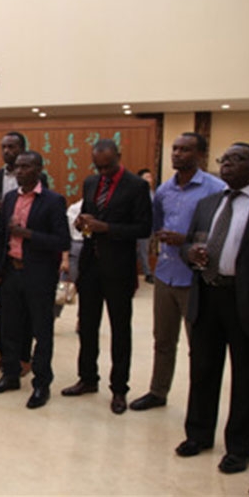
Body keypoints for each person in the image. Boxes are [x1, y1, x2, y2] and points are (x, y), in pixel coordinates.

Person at [175, 143, 249, 474]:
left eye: (237, 159)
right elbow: (189, 242)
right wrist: (190, 253)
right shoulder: (208, 203)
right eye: (224, 159)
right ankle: (198, 435)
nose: (227, 164)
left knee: (247, 378)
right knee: (203, 369)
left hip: (247, 301)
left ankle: (240, 448)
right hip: (207, 295)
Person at [129, 133, 225, 412]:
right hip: (166, 273)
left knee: (200, 344)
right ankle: (158, 391)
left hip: (197, 277)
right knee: (163, 340)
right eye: (175, 149)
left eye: (185, 150)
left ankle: (200, 403)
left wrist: (186, 240)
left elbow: (223, 234)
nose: (177, 154)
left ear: (201, 155)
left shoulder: (216, 189)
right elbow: (156, 226)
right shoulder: (164, 190)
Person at [61, 139, 152, 415]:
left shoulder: (136, 186)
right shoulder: (91, 183)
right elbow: (89, 217)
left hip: (119, 268)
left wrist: (106, 227)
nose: (103, 172)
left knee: (119, 330)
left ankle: (119, 388)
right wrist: (83, 224)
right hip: (90, 265)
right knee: (87, 326)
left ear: (118, 157)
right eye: (98, 167)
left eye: (107, 166)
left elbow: (143, 228)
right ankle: (88, 378)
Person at [0, 151, 70, 408]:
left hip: (39, 275)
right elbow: (1, 235)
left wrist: (28, 234)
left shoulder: (53, 201)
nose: (19, 171)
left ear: (39, 169)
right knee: (9, 326)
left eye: (26, 167)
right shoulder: (10, 198)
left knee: (41, 331)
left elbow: (62, 241)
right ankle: (10, 375)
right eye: (17, 167)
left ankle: (41, 384)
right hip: (11, 271)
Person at [0, 131, 49, 372]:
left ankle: (23, 357)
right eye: (4, 147)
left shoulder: (40, 179)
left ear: (23, 149)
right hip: (4, 250)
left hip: (29, 253)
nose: (7, 151)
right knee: (5, 308)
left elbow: (42, 213)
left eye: (12, 147)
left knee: (27, 311)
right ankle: (4, 353)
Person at [136, 168, 155, 284]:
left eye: (150, 177)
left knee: (143, 250)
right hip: (141, 226)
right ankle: (147, 273)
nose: (150, 179)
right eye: (147, 177)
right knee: (143, 250)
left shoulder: (152, 193)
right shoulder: (138, 193)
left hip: (151, 226)